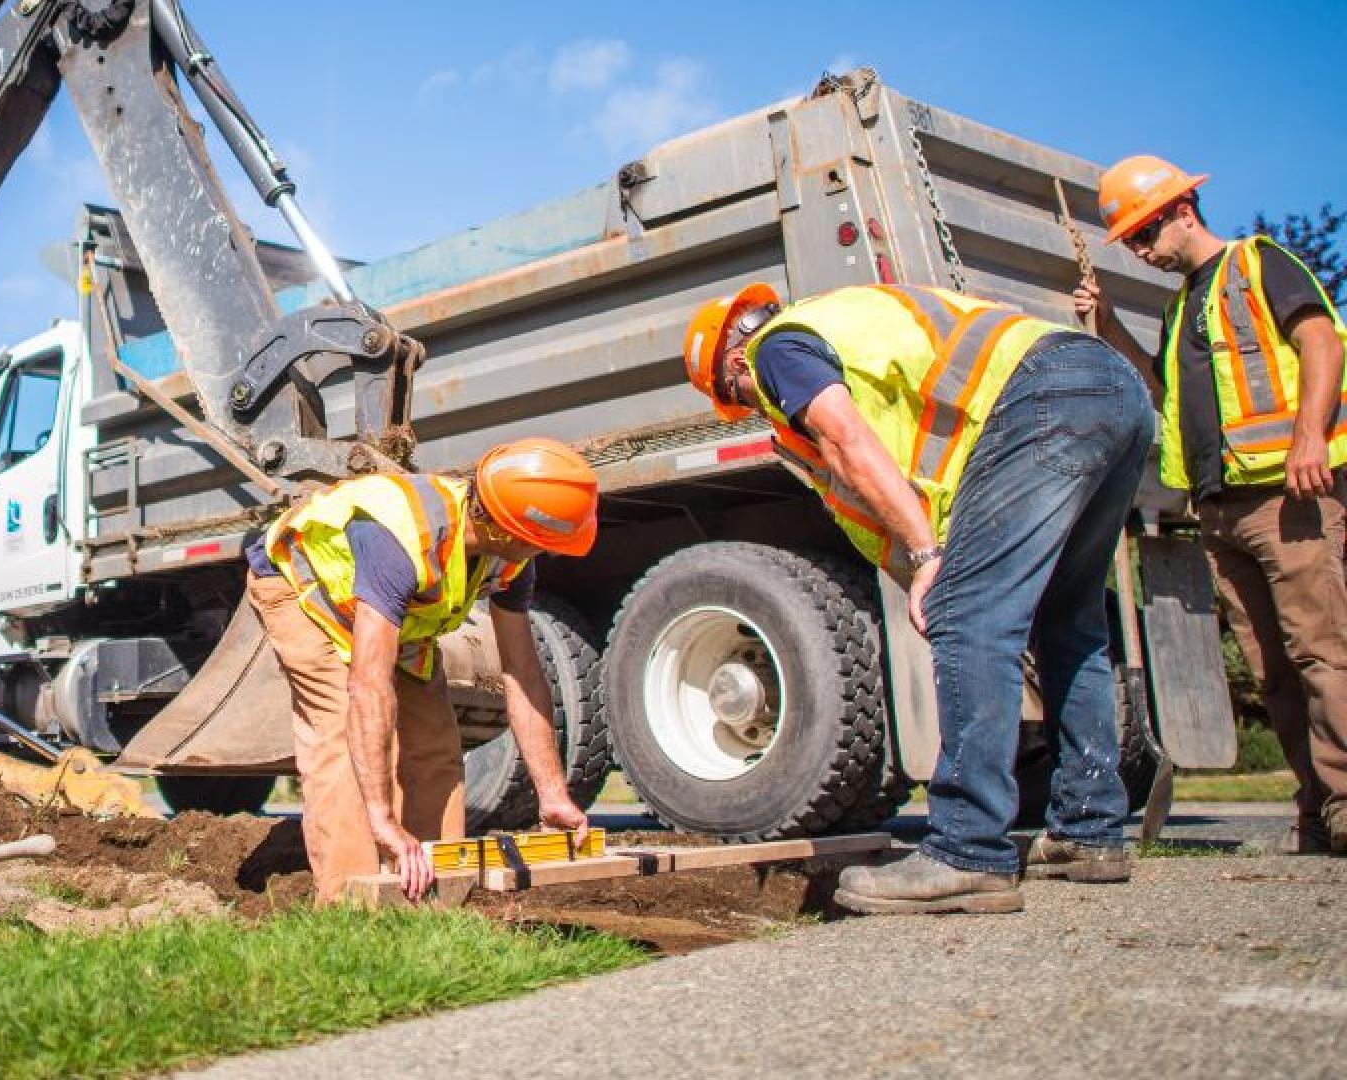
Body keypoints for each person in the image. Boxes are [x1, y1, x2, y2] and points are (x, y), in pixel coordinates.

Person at [683, 281, 1154, 914]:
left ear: (733, 362)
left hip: (1044, 394)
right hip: (1111, 388)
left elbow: (844, 438)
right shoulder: (848, 320)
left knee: (965, 610)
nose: (758, 407)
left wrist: (927, 553)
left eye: (736, 398)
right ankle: (1087, 831)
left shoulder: (776, 351)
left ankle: (967, 850)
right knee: (1070, 624)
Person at [1076, 156, 1347, 856]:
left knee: (1323, 652)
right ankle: (1316, 810)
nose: (1139, 250)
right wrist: (1107, 326)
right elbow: (1164, 396)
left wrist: (1309, 435)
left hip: (1288, 497)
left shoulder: (1259, 263)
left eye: (1142, 234)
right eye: (1130, 241)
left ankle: (1346, 804)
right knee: (1274, 673)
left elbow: (1319, 338)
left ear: (1179, 210)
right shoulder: (1183, 304)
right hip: (1221, 510)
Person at [246, 438, 600, 904]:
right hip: (303, 587)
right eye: (543, 545)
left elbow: (522, 673)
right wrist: (382, 817)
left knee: (435, 740)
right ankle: (351, 910)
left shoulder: (509, 556)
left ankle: (436, 895)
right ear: (511, 532)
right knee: (340, 736)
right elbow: (368, 686)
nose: (547, 555)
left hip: (393, 613)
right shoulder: (404, 540)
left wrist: (552, 794)